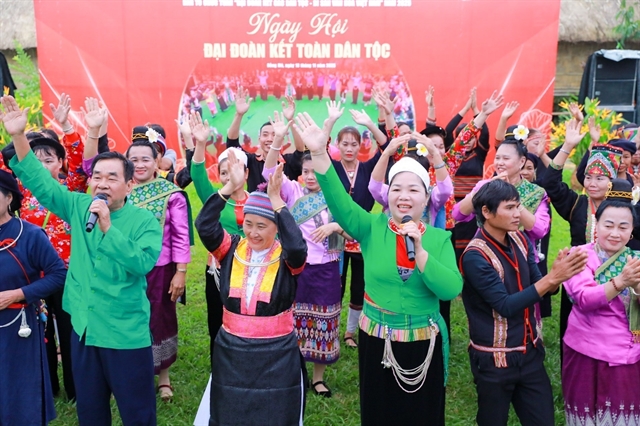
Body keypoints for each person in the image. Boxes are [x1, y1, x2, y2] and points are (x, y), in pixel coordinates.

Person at [1, 95, 163, 426]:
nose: (102, 183)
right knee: (90, 413)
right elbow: (42, 184)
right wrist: (18, 136)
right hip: (84, 329)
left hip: (123, 333)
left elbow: (142, 263)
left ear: (129, 184)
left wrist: (108, 228)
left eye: (112, 178)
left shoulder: (143, 221)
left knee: (138, 414)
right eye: (98, 177)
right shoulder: (79, 205)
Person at [295, 112, 462, 425]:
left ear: (426, 197)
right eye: (397, 189)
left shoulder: (439, 239)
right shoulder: (371, 227)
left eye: (413, 190)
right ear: (388, 194)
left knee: (421, 415)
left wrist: (421, 253)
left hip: (423, 341)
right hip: (376, 339)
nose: (404, 196)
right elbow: (339, 202)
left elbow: (450, 289)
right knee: (378, 411)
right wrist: (319, 153)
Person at [460, 179, 587, 426]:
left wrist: (557, 276)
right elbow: (505, 306)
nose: (518, 213)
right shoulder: (475, 256)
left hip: (530, 354)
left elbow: (541, 287)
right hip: (495, 361)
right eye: (509, 208)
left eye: (518, 206)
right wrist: (552, 278)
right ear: (486, 212)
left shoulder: (520, 239)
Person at [195, 157, 307, 425]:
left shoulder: (286, 257)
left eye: (262, 226)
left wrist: (277, 202)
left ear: (277, 227)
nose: (253, 233)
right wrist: (228, 188)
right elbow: (204, 225)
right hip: (232, 349)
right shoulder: (231, 248)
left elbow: (297, 247)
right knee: (230, 410)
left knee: (274, 412)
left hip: (276, 351)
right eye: (248, 224)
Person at [263, 112, 350, 397]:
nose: (311, 176)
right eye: (307, 171)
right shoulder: (293, 191)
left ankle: (318, 377)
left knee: (325, 320)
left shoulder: (336, 198)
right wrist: (278, 138)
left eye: (316, 171)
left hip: (327, 270)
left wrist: (334, 226)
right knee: (293, 320)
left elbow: (351, 232)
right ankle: (293, 373)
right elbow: (268, 173)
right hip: (296, 269)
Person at [541, 118, 624, 360]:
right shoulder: (577, 204)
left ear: (612, 181)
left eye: (600, 178)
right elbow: (550, 183)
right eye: (588, 177)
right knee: (574, 333)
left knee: (613, 335)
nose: (592, 183)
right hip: (579, 276)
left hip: (617, 279)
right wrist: (567, 146)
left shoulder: (624, 210)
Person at [562, 179, 640, 425]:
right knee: (585, 415)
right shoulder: (579, 255)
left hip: (627, 354)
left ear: (632, 231)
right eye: (609, 225)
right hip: (585, 351)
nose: (615, 233)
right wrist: (622, 281)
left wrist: (637, 286)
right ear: (597, 224)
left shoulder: (636, 260)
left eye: (623, 227)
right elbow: (584, 299)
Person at [125, 140, 192, 401]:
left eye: (146, 159)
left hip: (160, 269)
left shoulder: (171, 194)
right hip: (126, 268)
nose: (139, 164)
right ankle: (133, 373)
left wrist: (181, 272)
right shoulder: (120, 191)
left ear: (157, 162)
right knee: (129, 319)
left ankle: (164, 376)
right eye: (134, 159)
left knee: (160, 318)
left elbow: (181, 236)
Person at [0, 169, 67, 426]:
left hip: (18, 323)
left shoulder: (29, 234)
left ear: (9, 198)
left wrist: (18, 294)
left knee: (20, 387)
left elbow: (58, 274)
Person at [322, 101, 389, 349]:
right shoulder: (332, 168)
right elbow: (318, 148)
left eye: (354, 144)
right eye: (345, 144)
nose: (349, 148)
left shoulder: (369, 167)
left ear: (361, 145)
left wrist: (370, 123)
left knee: (359, 284)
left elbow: (386, 147)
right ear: (338, 145)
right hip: (335, 231)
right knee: (334, 282)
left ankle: (350, 332)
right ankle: (330, 331)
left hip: (362, 232)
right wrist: (331, 121)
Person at [189, 112, 249, 359]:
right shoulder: (214, 198)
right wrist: (201, 143)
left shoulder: (257, 201)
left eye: (235, 170)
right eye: (224, 172)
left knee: (246, 318)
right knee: (217, 318)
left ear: (246, 174)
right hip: (218, 270)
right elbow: (197, 175)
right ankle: (219, 368)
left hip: (249, 269)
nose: (229, 176)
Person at [226, 88, 305, 192]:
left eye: (275, 135)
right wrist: (239, 115)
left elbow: (300, 151)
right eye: (265, 135)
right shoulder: (251, 161)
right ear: (259, 139)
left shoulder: (289, 162)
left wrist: (291, 120)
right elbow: (232, 145)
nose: (270, 139)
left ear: (281, 140)